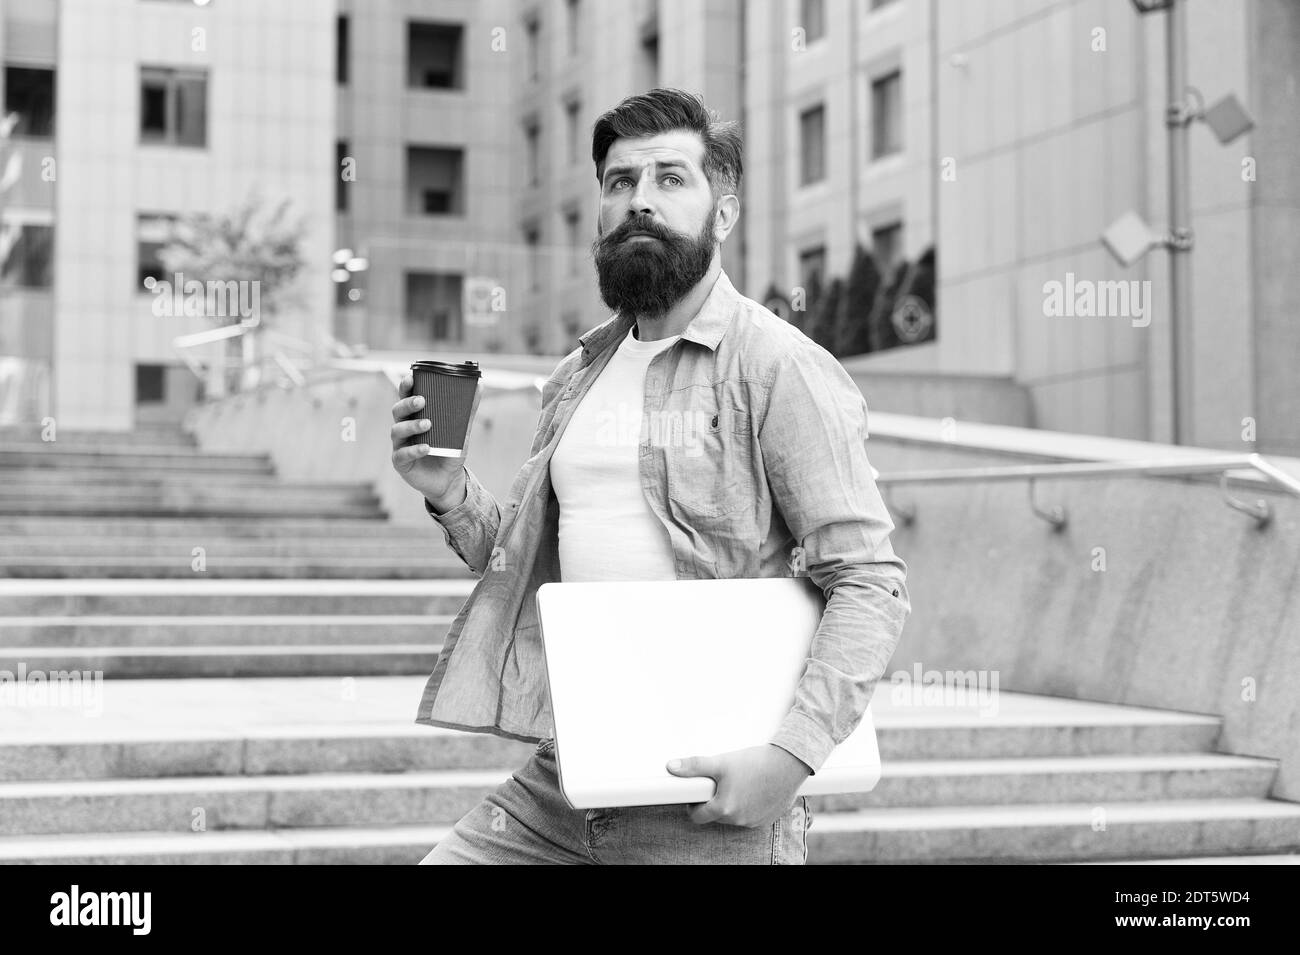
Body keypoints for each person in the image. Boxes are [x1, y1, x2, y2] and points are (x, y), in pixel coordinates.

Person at [389, 88, 910, 864]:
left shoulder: (778, 366)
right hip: (568, 772)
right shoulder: (579, 372)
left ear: (722, 212)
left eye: (671, 179)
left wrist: (790, 760)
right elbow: (529, 560)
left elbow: (870, 581)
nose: (641, 201)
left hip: (707, 796)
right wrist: (449, 491)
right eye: (620, 182)